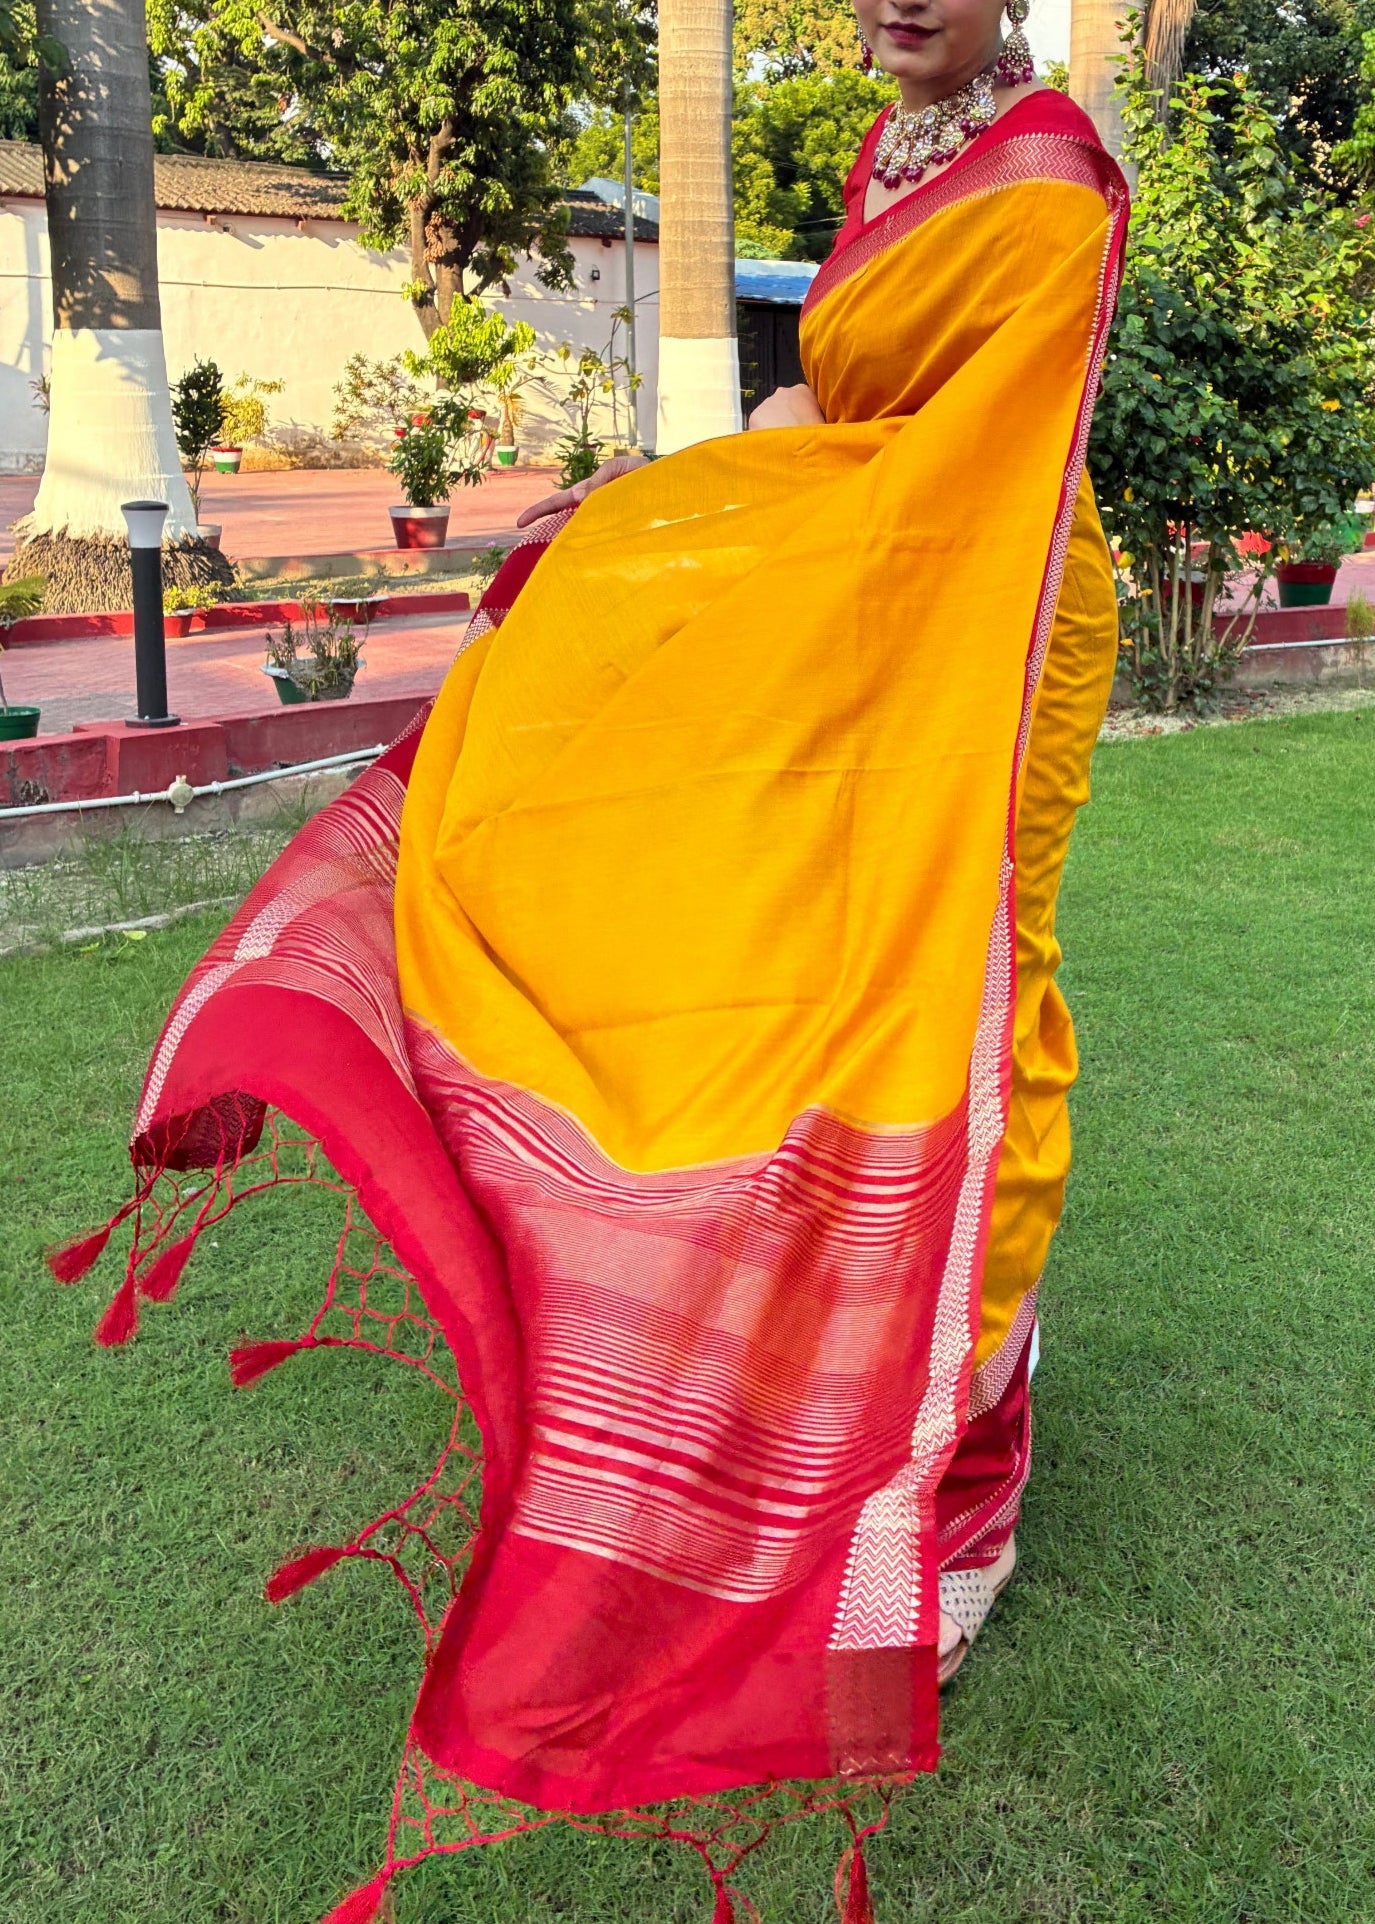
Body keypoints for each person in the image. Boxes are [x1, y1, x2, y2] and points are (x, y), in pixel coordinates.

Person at [77, 3, 1129, 1912]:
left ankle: (954, 1447)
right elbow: (836, 430)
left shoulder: (1051, 176)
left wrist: (715, 522)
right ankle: (837, 1343)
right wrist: (642, 525)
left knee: (960, 994)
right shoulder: (889, 159)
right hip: (853, 610)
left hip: (994, 619)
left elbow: (965, 467)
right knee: (773, 960)